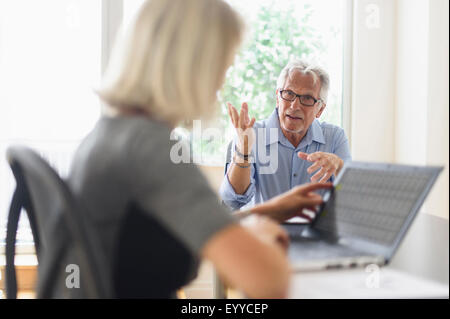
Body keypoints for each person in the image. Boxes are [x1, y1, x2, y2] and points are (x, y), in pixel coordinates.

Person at [68, 0, 331, 299]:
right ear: (192, 66)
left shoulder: (111, 133)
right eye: (222, 65)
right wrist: (260, 235)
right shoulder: (153, 149)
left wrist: (268, 211)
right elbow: (270, 280)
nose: (220, 82)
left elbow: (193, 227)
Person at [219, 60, 351, 211]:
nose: (295, 106)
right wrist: (243, 151)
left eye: (307, 98)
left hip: (316, 234)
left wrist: (339, 167)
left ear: (320, 109)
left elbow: (353, 202)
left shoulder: (334, 137)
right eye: (289, 93)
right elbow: (232, 200)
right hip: (263, 233)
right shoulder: (251, 134)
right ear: (278, 98)